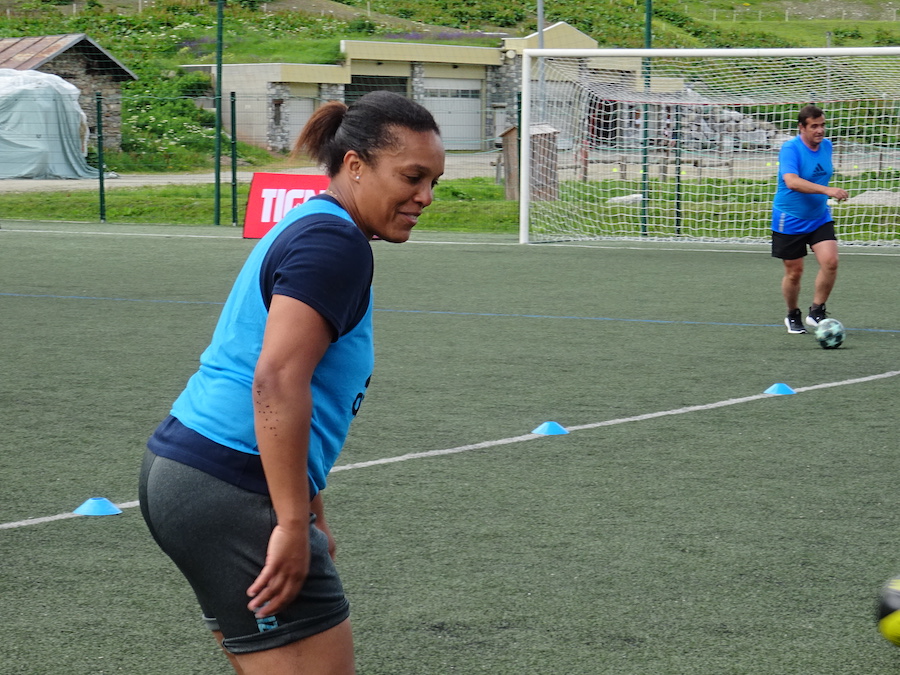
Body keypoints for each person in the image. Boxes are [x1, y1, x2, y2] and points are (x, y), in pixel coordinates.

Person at [138, 91, 444, 675]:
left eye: (434, 181)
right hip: (232, 482)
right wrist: (290, 522)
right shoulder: (335, 244)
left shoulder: (314, 222)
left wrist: (311, 511)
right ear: (354, 165)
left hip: (191, 471)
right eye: (412, 177)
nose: (424, 197)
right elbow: (277, 380)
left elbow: (299, 385)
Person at [772, 104, 848, 334]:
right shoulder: (790, 149)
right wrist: (827, 191)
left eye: (822, 125)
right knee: (795, 272)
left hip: (818, 217)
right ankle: (792, 314)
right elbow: (792, 182)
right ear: (801, 128)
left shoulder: (827, 146)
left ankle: (817, 311)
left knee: (831, 262)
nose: (820, 130)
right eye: (814, 126)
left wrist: (827, 194)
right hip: (790, 217)